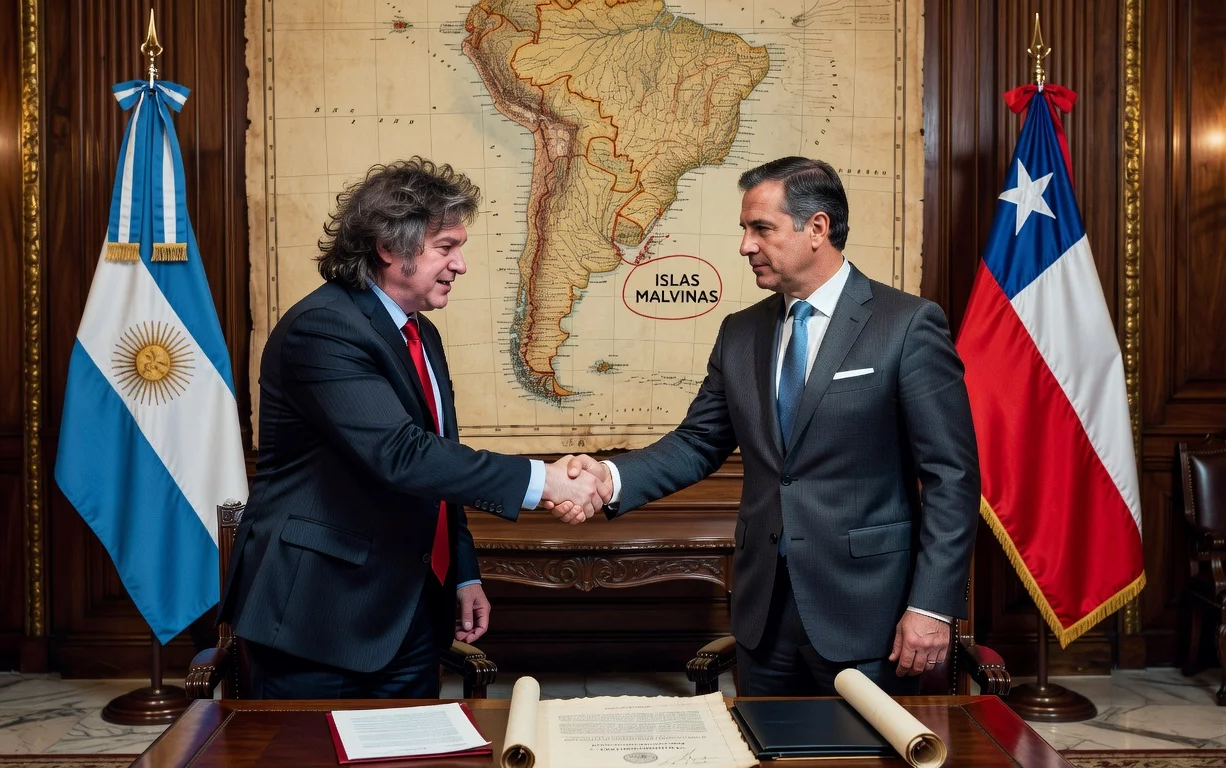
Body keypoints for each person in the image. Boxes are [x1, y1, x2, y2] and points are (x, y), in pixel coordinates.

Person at [558, 157, 980, 696]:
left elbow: (951, 476)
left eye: (761, 229)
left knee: (864, 747)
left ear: (817, 228)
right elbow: (698, 443)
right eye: (745, 229)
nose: (745, 246)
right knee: (763, 739)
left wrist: (932, 605)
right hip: (763, 616)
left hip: (870, 613)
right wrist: (609, 478)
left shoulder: (907, 325)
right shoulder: (740, 332)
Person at [221, 157, 606, 699]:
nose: (460, 265)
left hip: (411, 609)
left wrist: (463, 574)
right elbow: (402, 454)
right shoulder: (323, 328)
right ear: (388, 247)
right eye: (445, 247)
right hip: (322, 617)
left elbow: (438, 462)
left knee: (411, 743)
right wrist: (546, 482)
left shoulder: (420, 333)